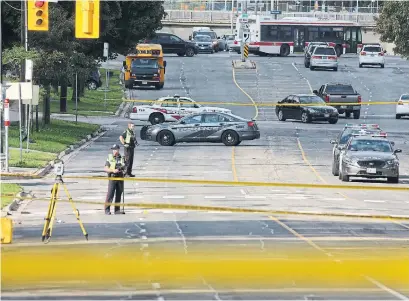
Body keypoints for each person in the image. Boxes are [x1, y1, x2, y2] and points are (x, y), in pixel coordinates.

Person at [104, 144, 126, 215]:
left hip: (120, 177)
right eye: (113, 150)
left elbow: (125, 166)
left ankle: (117, 210)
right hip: (112, 177)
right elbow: (106, 168)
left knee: (119, 193)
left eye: (115, 149)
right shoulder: (109, 157)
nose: (114, 151)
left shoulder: (122, 158)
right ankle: (107, 209)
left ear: (118, 150)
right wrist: (113, 170)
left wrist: (123, 170)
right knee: (110, 194)